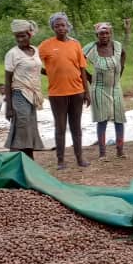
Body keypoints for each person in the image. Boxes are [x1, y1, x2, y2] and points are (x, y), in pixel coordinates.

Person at [38, 12, 91, 169]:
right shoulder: (46, 45)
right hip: (57, 94)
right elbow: (33, 62)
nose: (60, 28)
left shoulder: (75, 44)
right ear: (53, 28)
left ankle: (79, 158)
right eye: (57, 26)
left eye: (63, 25)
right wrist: (48, 72)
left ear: (68, 26)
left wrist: (86, 92)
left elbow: (82, 68)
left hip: (77, 91)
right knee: (60, 127)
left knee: (76, 126)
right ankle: (60, 160)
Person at [83, 22, 126, 159]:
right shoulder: (91, 48)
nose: (105, 36)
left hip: (116, 88)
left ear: (110, 34)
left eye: (107, 33)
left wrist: (120, 71)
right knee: (102, 120)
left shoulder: (117, 46)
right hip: (99, 88)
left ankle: (120, 151)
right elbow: (78, 63)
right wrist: (89, 77)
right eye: (101, 33)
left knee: (119, 119)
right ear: (97, 35)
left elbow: (123, 55)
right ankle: (102, 153)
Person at [4, 19, 44, 159]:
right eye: (17, 36)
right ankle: (12, 164)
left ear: (30, 35)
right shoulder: (12, 54)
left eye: (23, 36)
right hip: (19, 95)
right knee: (21, 129)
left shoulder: (35, 50)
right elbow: (8, 81)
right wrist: (8, 106)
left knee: (29, 129)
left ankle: (29, 163)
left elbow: (37, 68)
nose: (20, 39)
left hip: (32, 95)